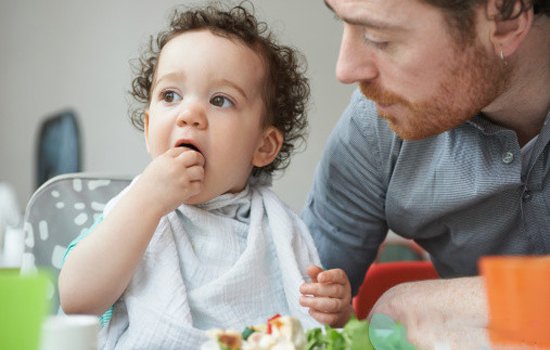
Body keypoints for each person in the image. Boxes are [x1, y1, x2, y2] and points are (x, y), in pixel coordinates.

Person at [58, 3, 352, 349]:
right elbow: (76, 299)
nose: (190, 113)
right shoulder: (134, 212)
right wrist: (148, 202)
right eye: (170, 95)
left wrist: (337, 309)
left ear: (264, 146)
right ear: (149, 127)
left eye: (220, 100)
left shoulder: (277, 228)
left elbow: (306, 328)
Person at [302, 0, 550, 348]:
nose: (345, 70)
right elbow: (291, 309)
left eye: (378, 37)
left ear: (506, 17)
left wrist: (426, 307)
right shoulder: (372, 131)